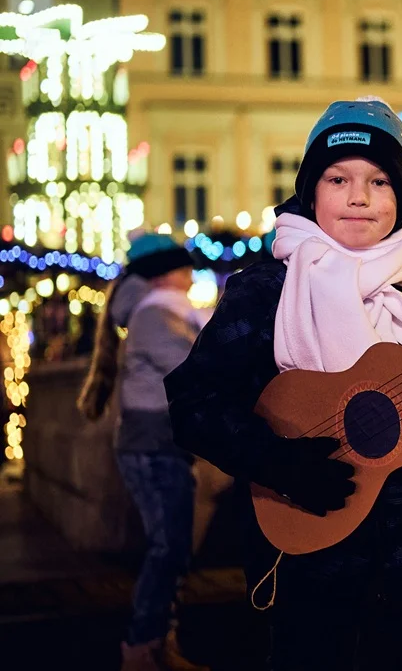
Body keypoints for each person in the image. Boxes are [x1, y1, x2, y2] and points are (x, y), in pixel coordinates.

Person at [165, 98, 402, 670]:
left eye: (380, 181)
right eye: (339, 178)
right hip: (307, 561)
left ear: (401, 198)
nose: (359, 197)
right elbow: (195, 401)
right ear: (311, 192)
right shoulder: (267, 291)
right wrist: (276, 461)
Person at [77, 232, 209, 671]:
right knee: (168, 548)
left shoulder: (159, 311)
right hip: (153, 445)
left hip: (158, 444)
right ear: (167, 272)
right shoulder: (157, 314)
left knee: (171, 548)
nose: (191, 271)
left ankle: (157, 644)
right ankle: (142, 648)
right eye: (184, 265)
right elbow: (191, 365)